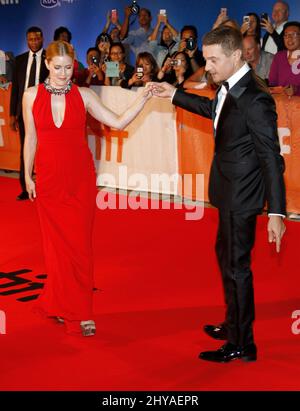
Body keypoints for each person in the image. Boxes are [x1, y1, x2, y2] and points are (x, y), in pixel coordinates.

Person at [151, 26, 286, 362]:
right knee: (226, 258)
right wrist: (173, 94)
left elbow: (271, 157)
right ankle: (233, 322)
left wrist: (277, 212)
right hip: (227, 190)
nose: (207, 66)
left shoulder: (256, 99)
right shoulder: (230, 86)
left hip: (242, 195)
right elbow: (216, 112)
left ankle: (243, 343)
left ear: (236, 56)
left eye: (213, 60)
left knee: (237, 266)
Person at [22, 40, 153, 336]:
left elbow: (118, 123)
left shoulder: (84, 96)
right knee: (55, 250)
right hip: (48, 180)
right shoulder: (31, 96)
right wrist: (27, 176)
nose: (63, 74)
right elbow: (31, 138)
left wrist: (143, 97)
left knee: (80, 247)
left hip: (79, 180)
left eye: (69, 68)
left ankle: (82, 312)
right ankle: (58, 303)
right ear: (47, 65)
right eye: (58, 68)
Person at [9, 26, 49, 201]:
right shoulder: (19, 60)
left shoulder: (51, 58)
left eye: (37, 39)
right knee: (26, 149)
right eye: (30, 39)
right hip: (24, 112)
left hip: (45, 111)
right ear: (27, 40)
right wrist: (12, 114)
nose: (33, 42)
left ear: (42, 39)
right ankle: (26, 188)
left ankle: (47, 187)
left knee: (46, 150)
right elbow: (16, 89)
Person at [268, 21, 300, 96]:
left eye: (294, 34)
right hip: (281, 103)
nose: (289, 38)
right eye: (286, 35)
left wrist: (296, 89)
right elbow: (272, 83)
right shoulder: (279, 57)